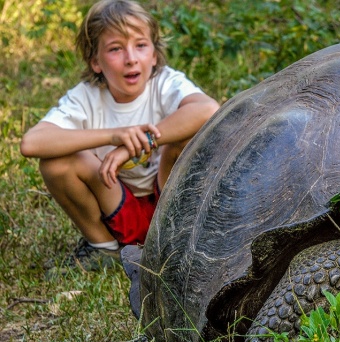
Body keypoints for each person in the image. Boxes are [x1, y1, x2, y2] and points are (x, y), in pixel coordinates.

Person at [20, 0, 220, 272]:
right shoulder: (86, 97)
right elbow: (32, 143)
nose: (131, 58)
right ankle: (105, 249)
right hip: (116, 201)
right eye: (115, 49)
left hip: (170, 206)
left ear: (153, 54)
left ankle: (181, 242)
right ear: (95, 61)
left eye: (140, 45)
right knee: (56, 162)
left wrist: (138, 144)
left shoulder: (165, 83)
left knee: (186, 137)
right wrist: (114, 136)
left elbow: (208, 109)